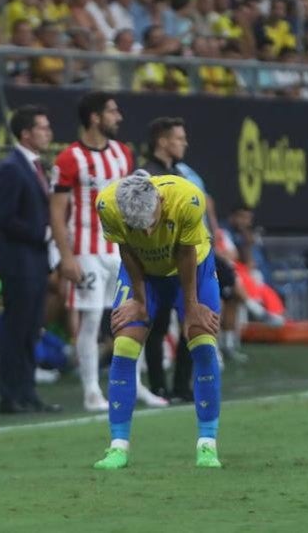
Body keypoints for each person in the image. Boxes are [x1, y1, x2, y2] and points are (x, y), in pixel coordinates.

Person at [92, 171, 224, 470]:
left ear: (160, 201)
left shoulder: (187, 199)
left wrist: (191, 307)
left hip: (193, 270)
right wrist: (139, 300)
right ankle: (118, 448)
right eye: (140, 227)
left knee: (202, 342)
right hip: (143, 274)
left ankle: (207, 444)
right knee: (123, 345)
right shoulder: (107, 206)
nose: (148, 233)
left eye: (151, 223)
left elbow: (186, 252)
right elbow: (126, 249)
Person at [50, 91, 140, 412]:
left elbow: (130, 203)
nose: (119, 117)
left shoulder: (123, 154)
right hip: (85, 250)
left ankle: (136, 385)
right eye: (113, 112)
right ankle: (90, 390)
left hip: (119, 250)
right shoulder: (68, 158)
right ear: (94, 117)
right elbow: (57, 212)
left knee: (133, 315)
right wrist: (66, 256)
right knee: (90, 320)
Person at [0, 104, 62, 415]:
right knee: (16, 328)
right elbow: (6, 218)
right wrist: (43, 233)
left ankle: (28, 392)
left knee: (32, 328)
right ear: (25, 133)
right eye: (42, 128)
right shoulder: (11, 167)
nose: (48, 133)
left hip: (34, 261)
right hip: (18, 261)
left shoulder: (36, 166)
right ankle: (10, 395)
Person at [138, 116, 194, 401]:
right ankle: (159, 386)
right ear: (162, 141)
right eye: (178, 138)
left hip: (182, 262)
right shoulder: (145, 175)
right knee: (157, 326)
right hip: (158, 263)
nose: (184, 143)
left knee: (190, 323)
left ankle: (183, 386)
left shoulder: (181, 175)